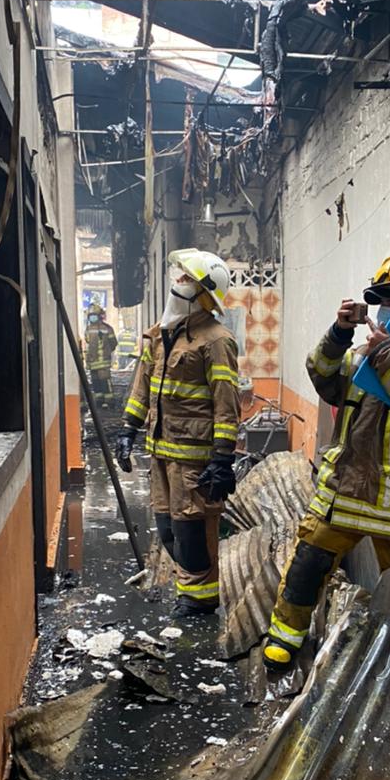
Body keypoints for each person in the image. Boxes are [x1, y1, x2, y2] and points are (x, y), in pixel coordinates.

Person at [263, 252, 390, 670]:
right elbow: (324, 377)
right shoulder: (361, 355)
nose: (384, 312)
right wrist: (340, 333)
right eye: (380, 302)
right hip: (346, 491)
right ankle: (284, 641)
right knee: (307, 566)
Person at [115, 249, 239, 618]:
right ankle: (192, 591)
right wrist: (128, 430)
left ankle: (200, 600)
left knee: (192, 535)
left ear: (203, 293)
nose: (177, 282)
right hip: (160, 454)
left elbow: (226, 401)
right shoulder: (158, 335)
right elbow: (142, 387)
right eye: (178, 275)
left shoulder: (215, 340)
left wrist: (222, 458)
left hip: (193, 459)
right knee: (167, 531)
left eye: (186, 278)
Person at [84, 305, 118, 407]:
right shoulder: (89, 329)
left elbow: (113, 343)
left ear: (99, 316)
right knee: (96, 382)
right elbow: (87, 341)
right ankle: (99, 400)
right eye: (91, 316)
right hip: (94, 362)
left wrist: (105, 351)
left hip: (100, 362)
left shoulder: (106, 328)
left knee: (104, 381)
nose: (92, 318)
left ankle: (109, 401)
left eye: (94, 315)